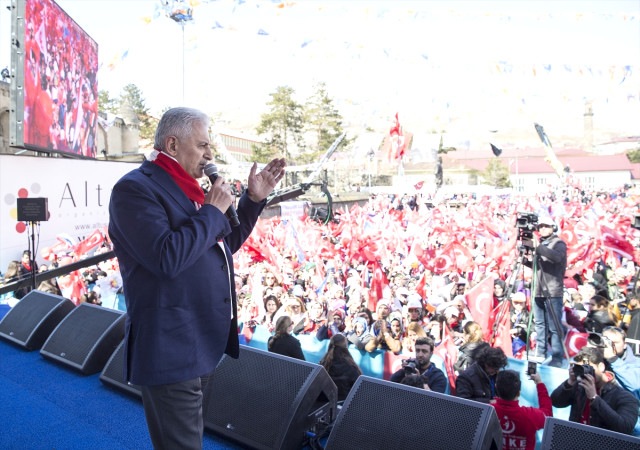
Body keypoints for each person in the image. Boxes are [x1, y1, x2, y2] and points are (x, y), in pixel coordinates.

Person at [108, 107, 286, 449]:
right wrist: (211, 211)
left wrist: (251, 202)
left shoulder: (187, 188)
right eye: (203, 145)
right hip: (170, 350)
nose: (210, 155)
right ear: (172, 145)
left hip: (201, 344)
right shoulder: (134, 190)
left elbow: (219, 246)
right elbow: (167, 257)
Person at [550, 347, 638, 435]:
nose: (585, 373)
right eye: (581, 368)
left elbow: (625, 429)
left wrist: (594, 398)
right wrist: (569, 383)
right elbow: (555, 402)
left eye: (588, 368)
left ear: (601, 367)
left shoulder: (625, 397)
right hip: (574, 441)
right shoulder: (579, 386)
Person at [525, 215, 567, 367]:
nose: (542, 229)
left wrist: (538, 247)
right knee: (540, 324)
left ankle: (557, 357)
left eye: (546, 226)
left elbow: (556, 258)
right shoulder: (541, 243)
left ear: (553, 228)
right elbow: (538, 266)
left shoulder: (559, 243)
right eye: (540, 226)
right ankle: (540, 351)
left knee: (555, 326)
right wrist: (525, 260)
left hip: (553, 291)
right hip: (538, 289)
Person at [493, 369, 552, 450]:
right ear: (519, 393)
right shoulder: (531, 415)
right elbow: (548, 416)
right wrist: (539, 383)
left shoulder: (487, 411)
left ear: (496, 387)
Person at [318, 334, 362, 401]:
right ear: (345, 346)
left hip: (325, 402)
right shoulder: (351, 367)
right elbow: (358, 389)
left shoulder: (322, 363)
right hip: (342, 404)